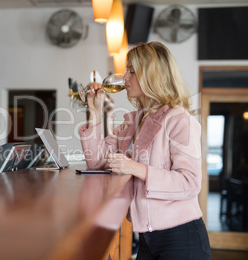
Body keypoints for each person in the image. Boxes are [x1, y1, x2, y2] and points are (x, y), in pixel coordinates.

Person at [79, 42, 211, 259]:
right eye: (126, 70)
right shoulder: (135, 121)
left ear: (152, 75)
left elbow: (190, 183)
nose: (125, 77)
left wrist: (135, 167)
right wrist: (94, 112)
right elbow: (97, 161)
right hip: (148, 238)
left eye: (132, 70)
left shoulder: (179, 119)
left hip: (182, 238)